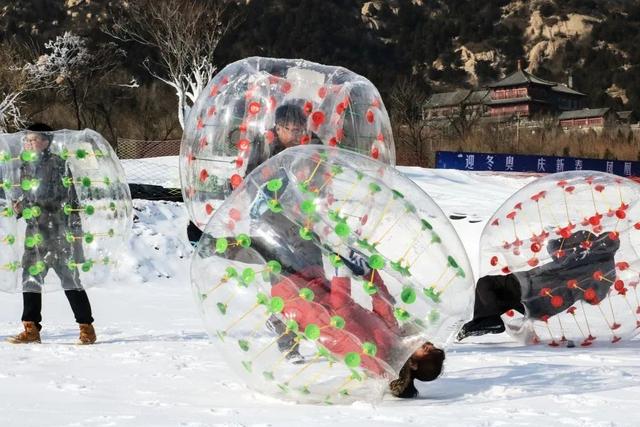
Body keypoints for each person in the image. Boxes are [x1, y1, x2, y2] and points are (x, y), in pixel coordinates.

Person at [271, 265, 445, 398]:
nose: (426, 343)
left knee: (266, 237)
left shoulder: (374, 358)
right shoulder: (395, 339)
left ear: (412, 364)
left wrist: (342, 275)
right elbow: (383, 302)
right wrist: (369, 271)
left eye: (427, 349)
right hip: (315, 282)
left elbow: (341, 314)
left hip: (297, 297)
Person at [7, 123, 96, 345]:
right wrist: (22, 208)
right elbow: (30, 196)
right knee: (30, 279)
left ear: (46, 142)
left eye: (33, 140)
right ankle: (31, 328)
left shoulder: (58, 164)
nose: (28, 143)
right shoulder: (25, 166)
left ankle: (86, 328)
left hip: (58, 233)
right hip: (35, 232)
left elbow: (64, 198)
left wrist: (35, 206)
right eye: (26, 140)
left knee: (70, 280)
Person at [457, 230, 620, 341]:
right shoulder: (608, 272)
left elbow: (554, 249)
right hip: (548, 305)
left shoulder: (585, 249)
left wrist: (570, 238)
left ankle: (488, 321)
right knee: (502, 297)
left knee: (487, 283)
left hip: (533, 285)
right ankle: (481, 322)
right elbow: (595, 299)